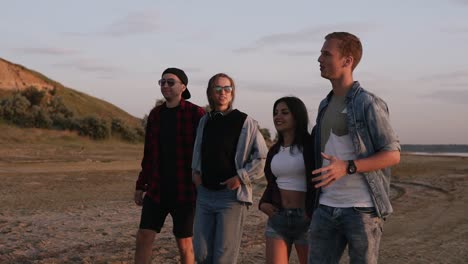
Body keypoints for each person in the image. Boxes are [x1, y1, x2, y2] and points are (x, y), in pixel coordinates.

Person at [308, 32, 401, 264]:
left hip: (362, 210)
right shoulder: (324, 104)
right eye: (321, 53)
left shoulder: (367, 102)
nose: (319, 58)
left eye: (326, 54)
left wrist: (348, 167)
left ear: (347, 61)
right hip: (326, 206)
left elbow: (392, 154)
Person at [191, 73, 268, 264]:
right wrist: (196, 174)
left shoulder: (245, 122)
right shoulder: (205, 121)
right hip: (205, 195)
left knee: (223, 257)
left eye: (227, 88)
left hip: (231, 197)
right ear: (210, 92)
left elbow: (262, 157)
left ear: (232, 93)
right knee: (201, 253)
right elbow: (198, 150)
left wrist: (241, 177)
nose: (222, 92)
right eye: (217, 88)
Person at [134, 68, 205, 264]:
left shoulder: (196, 113)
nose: (165, 85)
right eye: (162, 82)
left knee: (184, 243)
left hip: (185, 190)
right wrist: (141, 185)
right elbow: (148, 153)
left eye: (170, 82)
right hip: (157, 188)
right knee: (144, 237)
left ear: (183, 86)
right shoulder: (156, 115)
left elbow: (206, 152)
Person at [259, 96, 318, 264]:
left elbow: (319, 181)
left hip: (307, 219)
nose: (278, 116)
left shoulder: (310, 146)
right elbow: (272, 184)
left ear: (297, 116)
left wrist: (312, 213)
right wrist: (263, 203)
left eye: (285, 112)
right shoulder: (274, 150)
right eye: (276, 113)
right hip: (278, 218)